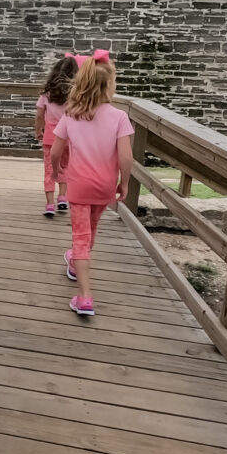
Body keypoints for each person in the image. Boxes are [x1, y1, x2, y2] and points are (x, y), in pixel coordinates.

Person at [50, 50, 134, 316]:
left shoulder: (71, 114)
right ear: (110, 85)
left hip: (78, 185)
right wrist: (125, 182)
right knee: (91, 231)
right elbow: (126, 156)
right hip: (105, 184)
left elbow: (55, 150)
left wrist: (56, 170)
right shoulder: (119, 117)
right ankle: (75, 262)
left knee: (80, 236)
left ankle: (85, 296)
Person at [34, 54, 81, 217]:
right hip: (69, 137)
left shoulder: (46, 93)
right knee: (65, 166)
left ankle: (49, 205)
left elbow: (40, 115)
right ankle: (62, 197)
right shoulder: (76, 94)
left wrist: (38, 131)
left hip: (50, 137)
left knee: (49, 170)